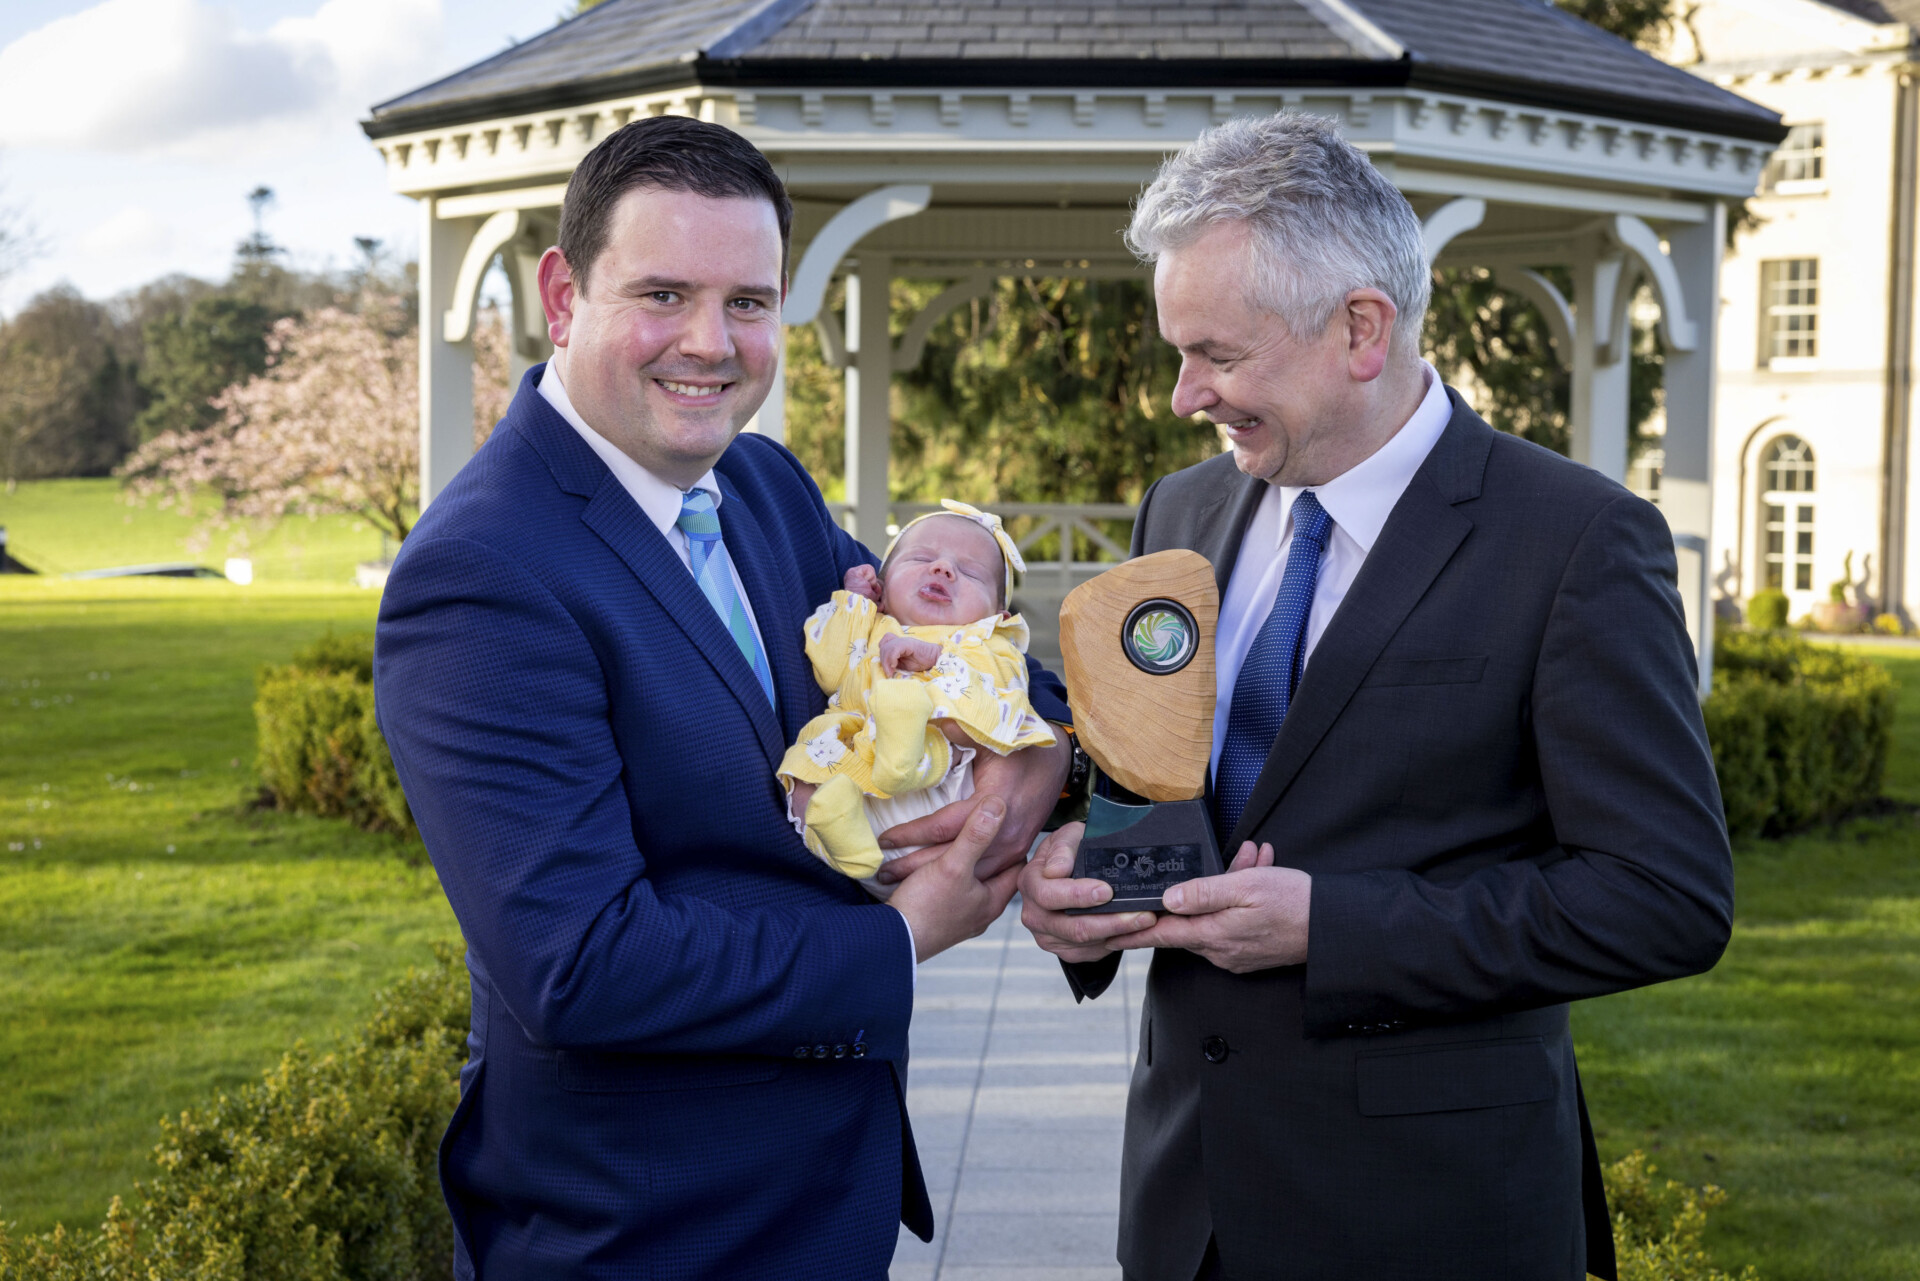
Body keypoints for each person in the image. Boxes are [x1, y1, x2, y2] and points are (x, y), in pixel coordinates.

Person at [1018, 112, 1734, 1281]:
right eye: (1178, 352)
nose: (1185, 394)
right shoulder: (1181, 514)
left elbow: (1665, 897)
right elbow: (1136, 789)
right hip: (1185, 1213)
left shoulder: (1576, 541)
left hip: (1432, 1220)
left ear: (1362, 328)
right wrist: (1075, 890)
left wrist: (1335, 929)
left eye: (1219, 354)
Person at [373, 116, 1071, 1280]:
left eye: (748, 302)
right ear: (561, 294)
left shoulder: (757, 484)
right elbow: (583, 963)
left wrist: (1034, 750)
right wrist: (900, 943)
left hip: (819, 1198)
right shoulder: (482, 576)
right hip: (640, 1226)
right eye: (662, 293)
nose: (711, 344)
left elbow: (952, 636)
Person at [783, 502, 1059, 892]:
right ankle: (838, 834)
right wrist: (854, 602)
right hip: (865, 808)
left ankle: (903, 744)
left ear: (997, 614)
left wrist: (938, 661)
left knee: (944, 722)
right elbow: (829, 668)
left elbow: (994, 708)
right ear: (884, 580)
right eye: (921, 557)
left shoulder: (986, 642)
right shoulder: (872, 627)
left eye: (970, 572)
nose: (943, 569)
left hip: (937, 794)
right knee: (803, 766)